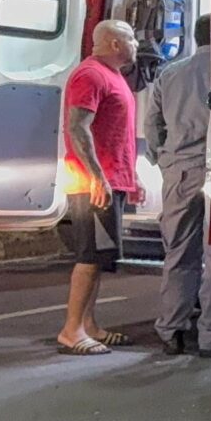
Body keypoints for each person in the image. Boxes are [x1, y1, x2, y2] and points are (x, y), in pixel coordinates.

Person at [147, 15, 211, 358]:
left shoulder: (170, 73)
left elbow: (153, 128)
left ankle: (171, 331)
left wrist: (165, 162)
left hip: (180, 173)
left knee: (178, 254)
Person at [56, 19, 140, 356]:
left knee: (100, 257)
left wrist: (130, 179)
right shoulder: (89, 75)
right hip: (93, 184)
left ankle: (89, 324)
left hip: (109, 180)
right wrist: (97, 176)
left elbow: (116, 134)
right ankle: (71, 330)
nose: (136, 43)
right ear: (115, 43)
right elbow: (78, 128)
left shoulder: (112, 76)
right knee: (89, 257)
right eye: (131, 38)